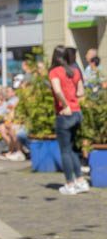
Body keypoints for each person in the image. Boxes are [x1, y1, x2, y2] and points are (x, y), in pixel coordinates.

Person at [48, 45, 90, 195]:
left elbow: (57, 89)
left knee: (65, 150)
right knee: (72, 149)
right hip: (77, 113)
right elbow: (81, 92)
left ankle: (69, 184)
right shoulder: (75, 71)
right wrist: (72, 99)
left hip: (65, 114)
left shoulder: (54, 72)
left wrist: (65, 105)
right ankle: (80, 181)